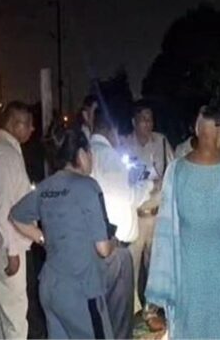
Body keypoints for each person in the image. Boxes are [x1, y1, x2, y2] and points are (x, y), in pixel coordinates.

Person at [146, 105, 220, 339]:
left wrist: (164, 278)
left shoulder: (176, 171)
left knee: (191, 328)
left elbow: (166, 227)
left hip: (188, 271)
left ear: (198, 131)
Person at [10, 125, 115, 339]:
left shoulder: (45, 187)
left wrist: (43, 238)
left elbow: (16, 215)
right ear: (81, 154)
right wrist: (115, 241)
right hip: (82, 290)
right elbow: (103, 249)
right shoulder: (88, 186)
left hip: (51, 288)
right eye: (89, 152)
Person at [90, 108, 153, 339]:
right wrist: (147, 186)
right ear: (112, 130)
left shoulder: (86, 152)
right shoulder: (110, 157)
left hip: (94, 245)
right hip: (115, 248)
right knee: (119, 319)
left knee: (101, 315)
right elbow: (128, 197)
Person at [0, 100, 35, 339]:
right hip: (5, 244)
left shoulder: (2, 150)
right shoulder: (5, 154)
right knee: (15, 320)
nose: (32, 128)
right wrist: (12, 251)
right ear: (13, 124)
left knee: (4, 316)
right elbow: (3, 207)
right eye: (27, 123)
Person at [120, 100, 173, 331]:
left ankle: (151, 311)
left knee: (155, 267)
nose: (148, 124)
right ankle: (131, 312)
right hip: (135, 216)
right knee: (131, 267)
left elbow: (173, 170)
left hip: (157, 215)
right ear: (134, 122)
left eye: (150, 119)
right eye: (143, 119)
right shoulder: (125, 144)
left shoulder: (161, 142)